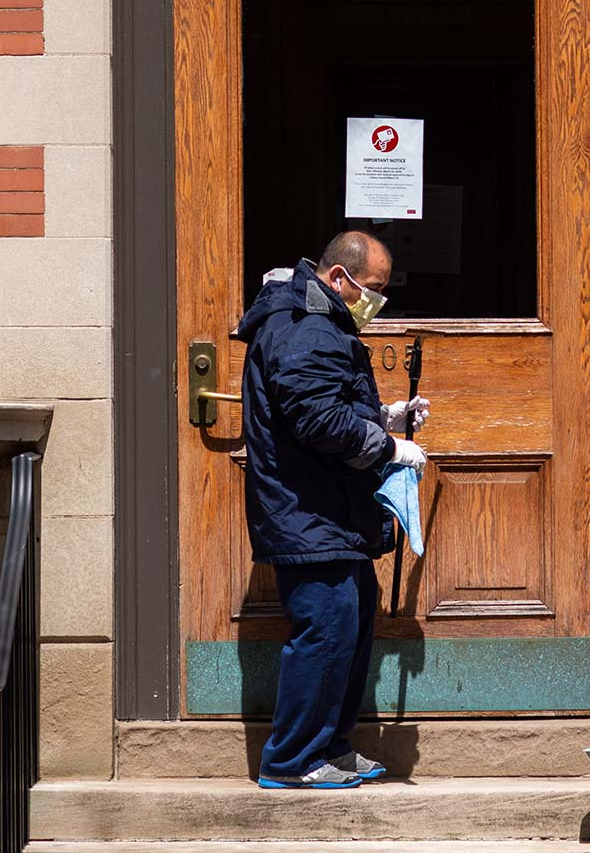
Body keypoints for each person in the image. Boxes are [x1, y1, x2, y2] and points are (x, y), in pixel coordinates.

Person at [233, 230, 430, 790]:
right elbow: (317, 422)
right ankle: (292, 760)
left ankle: (331, 747)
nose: (378, 301)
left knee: (350, 621)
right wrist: (390, 447)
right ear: (339, 278)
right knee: (325, 629)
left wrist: (385, 417)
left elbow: (326, 403)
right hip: (307, 509)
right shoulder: (304, 326)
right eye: (374, 288)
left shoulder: (317, 323)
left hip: (328, 510)